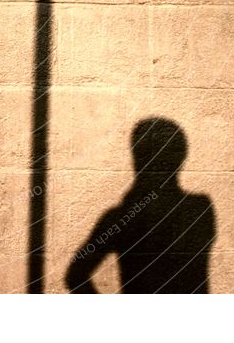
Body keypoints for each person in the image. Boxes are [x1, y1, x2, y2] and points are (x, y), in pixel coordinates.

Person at [66, 117, 215, 294]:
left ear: (137, 160)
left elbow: (76, 275)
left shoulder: (119, 218)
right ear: (180, 158)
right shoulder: (200, 208)